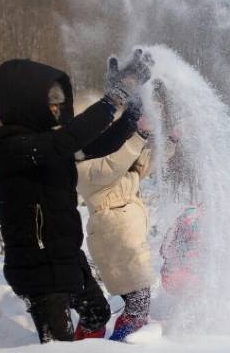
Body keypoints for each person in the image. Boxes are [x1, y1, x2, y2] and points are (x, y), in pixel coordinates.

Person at [0, 50, 152, 343]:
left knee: (97, 315)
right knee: (57, 343)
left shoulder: (52, 146)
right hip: (35, 264)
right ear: (24, 101)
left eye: (57, 103)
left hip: (66, 257)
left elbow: (98, 144)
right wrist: (115, 96)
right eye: (49, 103)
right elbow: (67, 140)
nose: (55, 109)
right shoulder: (11, 146)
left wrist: (132, 110)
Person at [75, 105, 153, 342]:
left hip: (128, 234)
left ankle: (116, 342)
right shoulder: (85, 167)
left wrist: (170, 140)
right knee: (138, 299)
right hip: (114, 235)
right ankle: (119, 343)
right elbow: (113, 165)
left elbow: (144, 163)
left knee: (138, 299)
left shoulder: (121, 166)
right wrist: (140, 136)